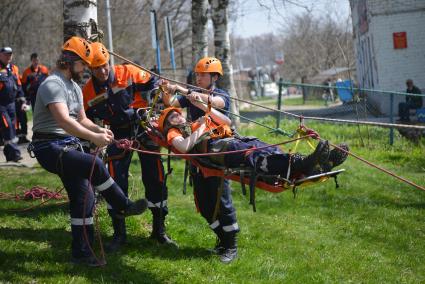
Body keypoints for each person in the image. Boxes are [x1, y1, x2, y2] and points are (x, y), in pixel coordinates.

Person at [29, 37, 149, 266]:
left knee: (85, 197)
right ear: (69, 60)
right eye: (83, 63)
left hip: (66, 145)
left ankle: (81, 253)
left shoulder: (74, 86)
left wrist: (99, 129)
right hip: (49, 147)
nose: (86, 69)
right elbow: (64, 121)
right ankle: (123, 206)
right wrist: (93, 138)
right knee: (93, 164)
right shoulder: (52, 84)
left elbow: (81, 119)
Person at [82, 42, 177, 252]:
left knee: (155, 176)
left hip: (142, 126)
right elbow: (85, 117)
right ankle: (119, 234)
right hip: (116, 133)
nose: (102, 70)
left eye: (105, 65)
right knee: (115, 180)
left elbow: (152, 81)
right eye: (97, 68)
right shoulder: (88, 91)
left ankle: (159, 231)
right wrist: (94, 136)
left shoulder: (128, 72)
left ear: (109, 62)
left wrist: (154, 97)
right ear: (90, 69)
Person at [157, 105, 348, 191]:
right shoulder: (174, 133)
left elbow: (227, 121)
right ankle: (303, 163)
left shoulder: (195, 122)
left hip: (234, 139)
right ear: (167, 124)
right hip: (220, 149)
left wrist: (205, 110)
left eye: (178, 114)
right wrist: (202, 129)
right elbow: (183, 147)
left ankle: (313, 165)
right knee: (253, 155)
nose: (179, 117)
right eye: (173, 117)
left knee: (266, 148)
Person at [162, 57, 240, 263]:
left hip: (216, 154)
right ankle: (222, 239)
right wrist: (166, 90)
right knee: (204, 203)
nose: (198, 77)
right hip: (197, 153)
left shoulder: (221, 95)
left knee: (222, 200)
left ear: (214, 77)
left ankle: (231, 245)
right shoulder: (190, 96)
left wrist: (184, 90)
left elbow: (214, 103)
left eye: (202, 75)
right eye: (196, 74)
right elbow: (170, 104)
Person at [0, 46, 23, 162]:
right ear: (0, 55)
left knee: (12, 128)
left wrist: (22, 100)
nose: (8, 56)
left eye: (10, 54)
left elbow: (18, 85)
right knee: (7, 126)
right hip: (1, 105)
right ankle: (16, 154)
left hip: (11, 104)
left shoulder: (14, 68)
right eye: (5, 54)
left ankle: (10, 155)